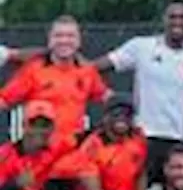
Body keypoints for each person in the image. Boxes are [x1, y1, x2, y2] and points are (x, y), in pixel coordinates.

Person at [97, 0, 183, 185]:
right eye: (173, 16)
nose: (178, 22)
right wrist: (105, 94)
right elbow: (98, 67)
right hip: (143, 136)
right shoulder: (141, 47)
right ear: (164, 20)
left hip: (177, 140)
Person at [0, 15, 109, 156]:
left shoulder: (87, 71)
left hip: (74, 151)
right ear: (50, 40)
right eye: (59, 36)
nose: (64, 41)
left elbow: (108, 98)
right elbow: (4, 99)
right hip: (38, 151)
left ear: (79, 40)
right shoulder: (33, 70)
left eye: (70, 36)